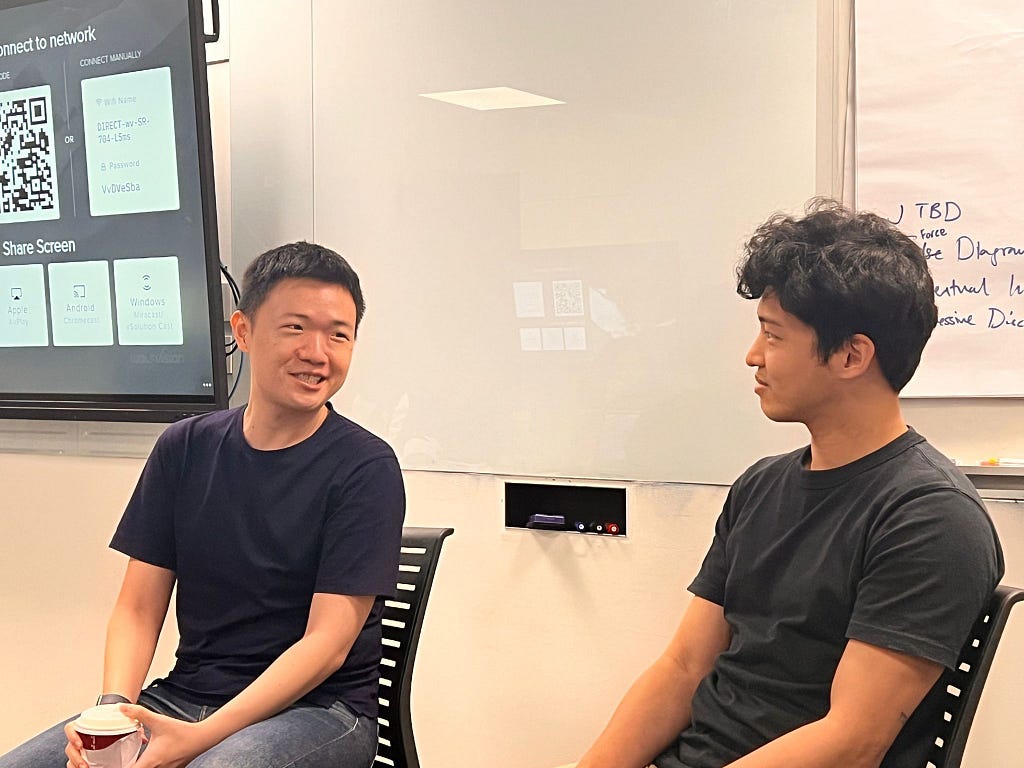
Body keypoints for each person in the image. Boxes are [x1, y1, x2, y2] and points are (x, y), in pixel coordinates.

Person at [574, 200, 1004, 768]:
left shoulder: (930, 518)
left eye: (773, 337)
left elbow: (852, 742)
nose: (753, 357)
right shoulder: (761, 487)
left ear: (852, 355)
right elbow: (684, 667)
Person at [0, 242, 406, 768]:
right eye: (295, 327)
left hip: (319, 711)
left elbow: (326, 644)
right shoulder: (185, 446)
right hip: (185, 695)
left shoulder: (365, 466)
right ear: (242, 331)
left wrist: (200, 740)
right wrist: (113, 715)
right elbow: (138, 607)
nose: (317, 351)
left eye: (338, 334)